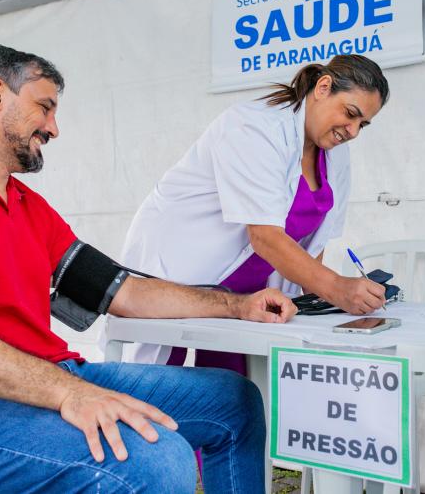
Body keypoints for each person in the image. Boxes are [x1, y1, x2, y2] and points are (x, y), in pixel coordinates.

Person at [0, 42, 296, 493]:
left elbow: (125, 293)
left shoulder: (27, 206)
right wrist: (68, 393)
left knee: (234, 401)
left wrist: (237, 306)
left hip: (53, 378)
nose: (54, 128)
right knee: (156, 462)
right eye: (44, 106)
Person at [121, 55, 390, 371]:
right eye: (351, 113)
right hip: (179, 262)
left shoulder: (337, 155)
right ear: (323, 87)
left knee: (237, 386)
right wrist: (336, 287)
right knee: (156, 379)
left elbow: (313, 244)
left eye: (363, 124)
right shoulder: (255, 127)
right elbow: (264, 236)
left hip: (247, 289)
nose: (354, 131)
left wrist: (324, 298)